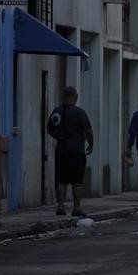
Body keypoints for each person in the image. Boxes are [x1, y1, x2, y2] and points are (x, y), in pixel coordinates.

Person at [46, 86, 94, 216]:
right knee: (77, 181)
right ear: (76, 97)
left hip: (61, 150)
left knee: (61, 180)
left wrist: (59, 137)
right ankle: (76, 208)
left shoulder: (57, 112)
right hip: (76, 150)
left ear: (63, 96)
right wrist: (91, 144)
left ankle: (60, 207)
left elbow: (49, 129)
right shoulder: (79, 113)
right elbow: (88, 130)